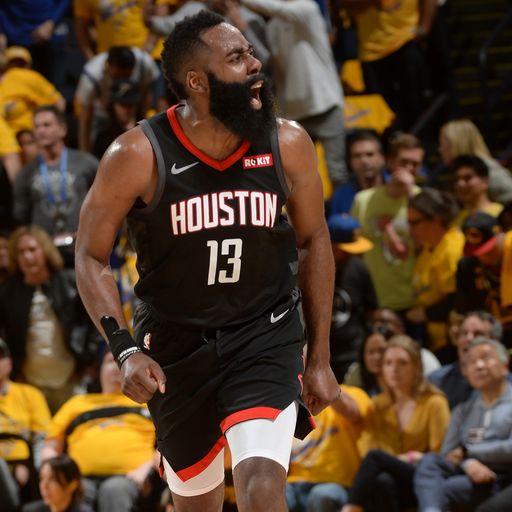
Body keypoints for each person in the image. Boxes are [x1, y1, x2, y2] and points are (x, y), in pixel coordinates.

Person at [74, 10, 339, 512]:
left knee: (262, 486)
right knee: (198, 503)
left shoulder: (288, 143)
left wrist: (321, 357)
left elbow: (314, 240)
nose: (255, 64)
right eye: (238, 58)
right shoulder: (137, 153)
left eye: (251, 52)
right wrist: (124, 350)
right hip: (174, 344)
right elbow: (89, 256)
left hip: (264, 331)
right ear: (197, 81)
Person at [240, 0, 347, 189]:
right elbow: (269, 62)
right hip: (294, 112)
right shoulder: (272, 26)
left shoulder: (307, 9)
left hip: (325, 103)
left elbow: (278, 9)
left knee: (337, 173)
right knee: (292, 177)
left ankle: (345, 218)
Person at [341, 335, 450, 512]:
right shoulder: (377, 404)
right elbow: (367, 448)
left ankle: (349, 509)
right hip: (392, 478)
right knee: (382, 481)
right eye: (388, 363)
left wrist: (413, 458)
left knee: (376, 459)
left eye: (402, 363)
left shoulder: (434, 402)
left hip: (425, 477)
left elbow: (441, 454)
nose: (394, 369)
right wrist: (395, 460)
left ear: (416, 367)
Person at [41, 351, 159, 512]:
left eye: (123, 361)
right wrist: (56, 474)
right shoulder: (77, 403)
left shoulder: (148, 405)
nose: (118, 366)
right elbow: (51, 447)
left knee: (114, 490)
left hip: (131, 478)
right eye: (112, 361)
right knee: (78, 494)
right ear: (100, 370)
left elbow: (167, 445)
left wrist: (146, 468)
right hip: (80, 479)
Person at [0, 226, 101, 412]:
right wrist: (14, 372)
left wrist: (88, 362)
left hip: (70, 379)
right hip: (30, 384)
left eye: (32, 249)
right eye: (21, 252)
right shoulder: (7, 293)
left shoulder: (70, 282)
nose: (27, 257)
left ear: (44, 250)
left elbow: (96, 322)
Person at [414, 337, 512, 511]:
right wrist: (469, 464)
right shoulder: (462, 410)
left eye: (486, 358)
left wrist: (469, 453)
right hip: (470, 475)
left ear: (505, 365)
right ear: (466, 373)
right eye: (472, 362)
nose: (479, 365)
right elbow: (448, 454)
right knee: (430, 462)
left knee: (445, 489)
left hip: (504, 477)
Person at [13, 106, 99, 262]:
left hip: (84, 249)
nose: (40, 131)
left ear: (62, 129)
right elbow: (21, 216)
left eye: (46, 125)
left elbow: (105, 201)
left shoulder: (86, 162)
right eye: (37, 126)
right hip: (46, 256)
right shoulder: (25, 174)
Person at [350, 133, 423, 315]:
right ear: (389, 162)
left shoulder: (421, 199)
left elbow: (427, 245)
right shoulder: (363, 200)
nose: (409, 168)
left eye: (415, 164)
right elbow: (354, 250)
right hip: (376, 300)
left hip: (414, 299)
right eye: (404, 162)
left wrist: (411, 193)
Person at [286, 385, 372, 512]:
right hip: (294, 483)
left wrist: (324, 384)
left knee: (322, 496)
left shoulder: (352, 393)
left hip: (335, 484)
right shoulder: (290, 400)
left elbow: (353, 413)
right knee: (268, 491)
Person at [405, 188, 464, 355]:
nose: (410, 230)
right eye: (408, 223)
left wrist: (424, 314)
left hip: (451, 343)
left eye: (415, 223)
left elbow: (458, 300)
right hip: (433, 340)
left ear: (436, 219)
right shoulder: (429, 247)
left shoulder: (451, 248)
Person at [75, 46, 160, 152]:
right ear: (109, 66)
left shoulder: (144, 63)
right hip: (101, 113)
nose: (122, 80)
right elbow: (85, 115)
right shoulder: (92, 74)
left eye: (127, 75)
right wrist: (84, 152)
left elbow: (147, 91)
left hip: (134, 105)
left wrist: (142, 117)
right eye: (118, 76)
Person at [0, 336, 52, 510]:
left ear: (9, 362)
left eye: (1, 356)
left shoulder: (30, 394)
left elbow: (43, 436)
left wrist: (38, 470)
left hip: (24, 465)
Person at [327, 214, 378, 381]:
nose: (351, 255)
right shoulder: (309, 268)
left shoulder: (358, 268)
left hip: (352, 355)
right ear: (331, 246)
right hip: (321, 355)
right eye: (346, 250)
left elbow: (372, 309)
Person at [456, 212, 512, 347]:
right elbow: (467, 310)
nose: (484, 256)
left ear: (500, 233)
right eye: (478, 253)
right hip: (493, 338)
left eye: (489, 250)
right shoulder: (468, 266)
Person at [428, 310, 504, 410]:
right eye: (464, 333)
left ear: (495, 343)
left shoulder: (507, 386)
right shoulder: (436, 382)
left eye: (478, 334)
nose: (469, 338)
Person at [432, 118, 512, 204]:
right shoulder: (459, 171)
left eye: (442, 144)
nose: (440, 150)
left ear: (456, 144)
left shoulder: (489, 171)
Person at [328, 130, 385, 216]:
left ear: (382, 158)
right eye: (357, 156)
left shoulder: (396, 186)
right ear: (350, 162)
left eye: (370, 154)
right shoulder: (341, 194)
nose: (364, 161)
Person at [23, 455, 92, 512]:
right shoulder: (30, 510)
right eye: (42, 479)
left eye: (53, 479)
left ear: (72, 485)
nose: (44, 486)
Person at [451, 155, 503, 228]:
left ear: (485, 181)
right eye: (457, 179)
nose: (460, 184)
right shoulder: (453, 220)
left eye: (467, 178)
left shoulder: (501, 215)